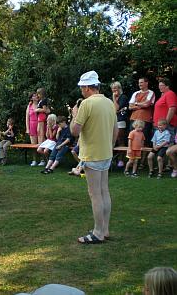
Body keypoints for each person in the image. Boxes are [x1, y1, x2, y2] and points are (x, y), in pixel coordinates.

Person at [71, 71, 118, 244]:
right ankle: (104, 229)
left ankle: (98, 232)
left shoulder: (86, 104)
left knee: (95, 193)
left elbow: (74, 131)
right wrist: (110, 147)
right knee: (104, 191)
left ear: (87, 87)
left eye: (82, 87)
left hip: (92, 154)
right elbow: (116, 131)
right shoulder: (108, 103)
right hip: (106, 153)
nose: (81, 91)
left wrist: (74, 114)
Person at [128, 77, 155, 168]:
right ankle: (131, 161)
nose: (140, 84)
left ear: (146, 83)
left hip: (145, 120)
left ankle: (142, 162)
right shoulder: (136, 93)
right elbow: (130, 107)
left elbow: (147, 104)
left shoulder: (151, 93)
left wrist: (136, 104)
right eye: (139, 83)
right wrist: (141, 104)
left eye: (142, 82)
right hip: (134, 119)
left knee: (144, 141)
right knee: (132, 140)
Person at [111, 81, 129, 167]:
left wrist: (114, 99)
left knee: (120, 140)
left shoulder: (123, 97)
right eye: (113, 88)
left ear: (119, 88)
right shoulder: (113, 98)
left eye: (116, 88)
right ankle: (113, 159)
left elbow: (116, 109)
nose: (114, 90)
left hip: (121, 121)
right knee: (113, 140)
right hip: (113, 121)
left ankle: (121, 160)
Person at [25, 92, 40, 166]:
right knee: (33, 145)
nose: (36, 96)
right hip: (32, 125)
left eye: (36, 95)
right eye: (34, 96)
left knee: (40, 143)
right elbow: (27, 118)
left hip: (40, 125)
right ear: (31, 98)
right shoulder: (29, 105)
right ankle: (34, 160)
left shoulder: (41, 104)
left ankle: (43, 160)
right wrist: (27, 128)